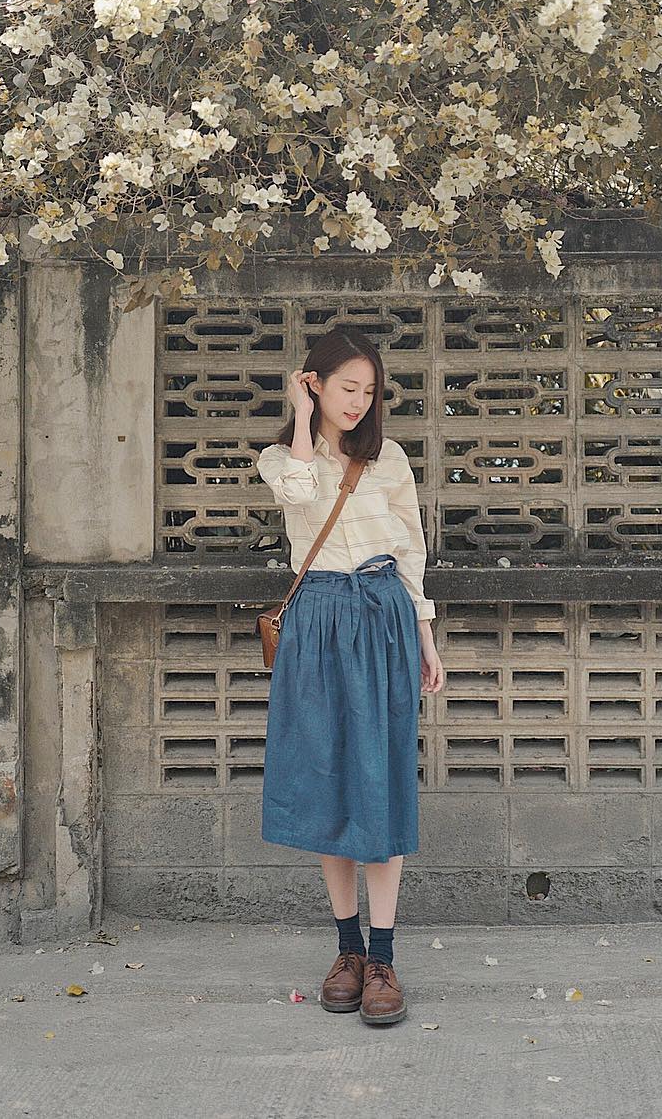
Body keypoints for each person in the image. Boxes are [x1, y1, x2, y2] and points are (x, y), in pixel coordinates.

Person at [256, 325, 445, 1027]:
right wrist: (303, 419)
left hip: (384, 615)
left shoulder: (389, 458)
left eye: (369, 390)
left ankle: (384, 957)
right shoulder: (282, 458)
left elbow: (411, 552)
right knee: (328, 780)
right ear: (315, 383)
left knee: (381, 780)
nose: (359, 401)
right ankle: (347, 950)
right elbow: (301, 494)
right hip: (318, 620)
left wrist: (425, 638)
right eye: (345, 387)